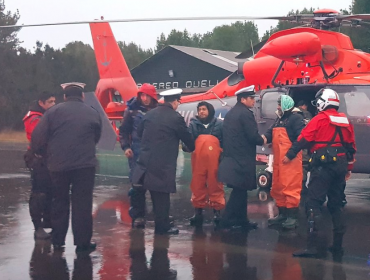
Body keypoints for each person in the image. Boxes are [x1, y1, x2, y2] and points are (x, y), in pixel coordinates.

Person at [31, 82, 102, 253]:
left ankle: (58, 240)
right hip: (85, 166)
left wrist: (44, 154)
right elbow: (96, 136)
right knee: (83, 203)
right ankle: (82, 243)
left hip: (58, 166)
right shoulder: (92, 112)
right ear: (83, 96)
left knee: (59, 201)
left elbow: (38, 137)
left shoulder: (52, 112)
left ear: (64, 97)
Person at [285, 88, 356, 258]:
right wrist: (349, 169)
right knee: (336, 204)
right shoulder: (345, 120)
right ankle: (337, 246)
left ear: (323, 102)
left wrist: (290, 155)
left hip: (323, 166)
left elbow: (303, 139)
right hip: (340, 165)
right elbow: (351, 147)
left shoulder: (319, 119)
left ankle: (315, 247)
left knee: (313, 203)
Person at [132, 88, 195, 235]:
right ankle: (162, 227)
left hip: (145, 162)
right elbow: (187, 138)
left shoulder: (149, 114)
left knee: (142, 192)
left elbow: (139, 133)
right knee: (161, 197)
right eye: (178, 102)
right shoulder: (175, 118)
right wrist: (190, 147)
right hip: (163, 163)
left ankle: (139, 218)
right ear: (174, 102)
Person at [218, 85, 265, 231]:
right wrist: (262, 139)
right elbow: (252, 136)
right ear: (243, 99)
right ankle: (226, 221)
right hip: (242, 159)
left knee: (241, 190)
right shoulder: (245, 114)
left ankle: (242, 220)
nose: (253, 101)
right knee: (239, 191)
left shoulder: (232, 113)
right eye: (251, 98)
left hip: (232, 158)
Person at [119, 83, 158, 229]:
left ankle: (158, 214)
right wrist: (126, 147)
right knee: (137, 185)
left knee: (156, 184)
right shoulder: (131, 111)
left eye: (147, 95)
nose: (145, 98)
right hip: (136, 151)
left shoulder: (158, 110)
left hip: (154, 152)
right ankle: (138, 216)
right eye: (142, 95)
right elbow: (123, 131)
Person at [263, 95, 305, 229]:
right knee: (278, 186)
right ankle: (282, 214)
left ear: (286, 105)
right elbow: (269, 133)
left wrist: (290, 154)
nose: (277, 107)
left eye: (279, 104)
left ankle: (292, 217)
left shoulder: (296, 118)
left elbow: (301, 139)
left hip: (290, 160)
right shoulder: (279, 119)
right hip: (279, 160)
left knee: (291, 187)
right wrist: (261, 138)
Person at [23, 91, 56, 239]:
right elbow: (40, 138)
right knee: (39, 194)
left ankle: (47, 222)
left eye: (54, 102)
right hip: (39, 160)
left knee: (50, 192)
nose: (53, 105)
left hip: (47, 159)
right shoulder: (35, 118)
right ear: (41, 103)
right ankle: (38, 227)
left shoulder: (44, 117)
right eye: (50, 102)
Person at [186, 101, 224, 227]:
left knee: (216, 185)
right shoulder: (193, 124)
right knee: (197, 185)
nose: (201, 112)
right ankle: (198, 213)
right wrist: (186, 147)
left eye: (204, 109)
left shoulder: (219, 124)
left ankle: (217, 212)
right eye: (199, 109)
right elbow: (188, 141)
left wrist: (223, 156)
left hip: (216, 161)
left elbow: (224, 141)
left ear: (210, 110)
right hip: (198, 161)